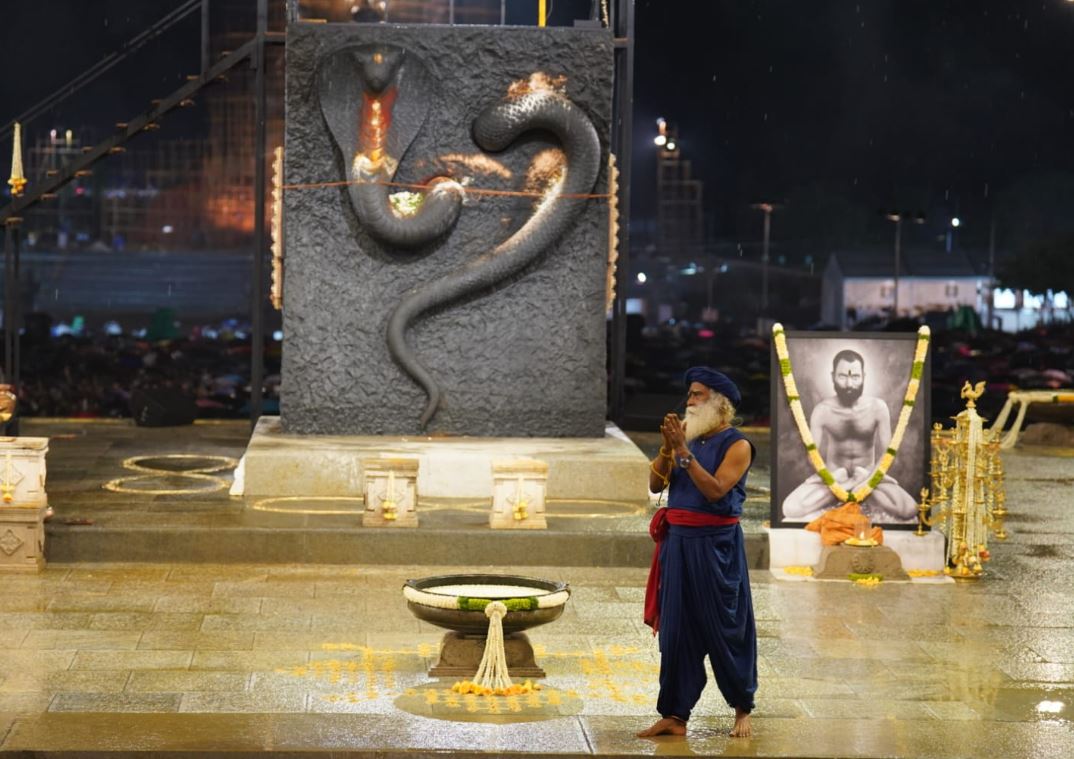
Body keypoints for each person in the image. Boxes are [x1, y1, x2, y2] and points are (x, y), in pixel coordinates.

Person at [639, 367, 757, 739]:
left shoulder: (737, 445)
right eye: (689, 394)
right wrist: (667, 448)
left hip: (715, 547)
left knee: (725, 627)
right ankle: (675, 715)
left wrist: (682, 451)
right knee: (676, 631)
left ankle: (742, 707)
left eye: (697, 395)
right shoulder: (686, 440)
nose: (688, 401)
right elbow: (655, 484)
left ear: (719, 404)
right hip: (677, 544)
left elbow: (716, 490)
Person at [781, 349, 917, 523]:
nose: (849, 384)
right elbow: (812, 455)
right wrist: (834, 482)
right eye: (843, 376)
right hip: (833, 477)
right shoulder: (822, 410)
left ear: (863, 376)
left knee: (909, 508)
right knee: (790, 508)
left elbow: (888, 453)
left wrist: (868, 482)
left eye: (855, 377)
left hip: (869, 476)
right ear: (833, 376)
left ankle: (856, 487)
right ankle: (847, 487)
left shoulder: (878, 407)